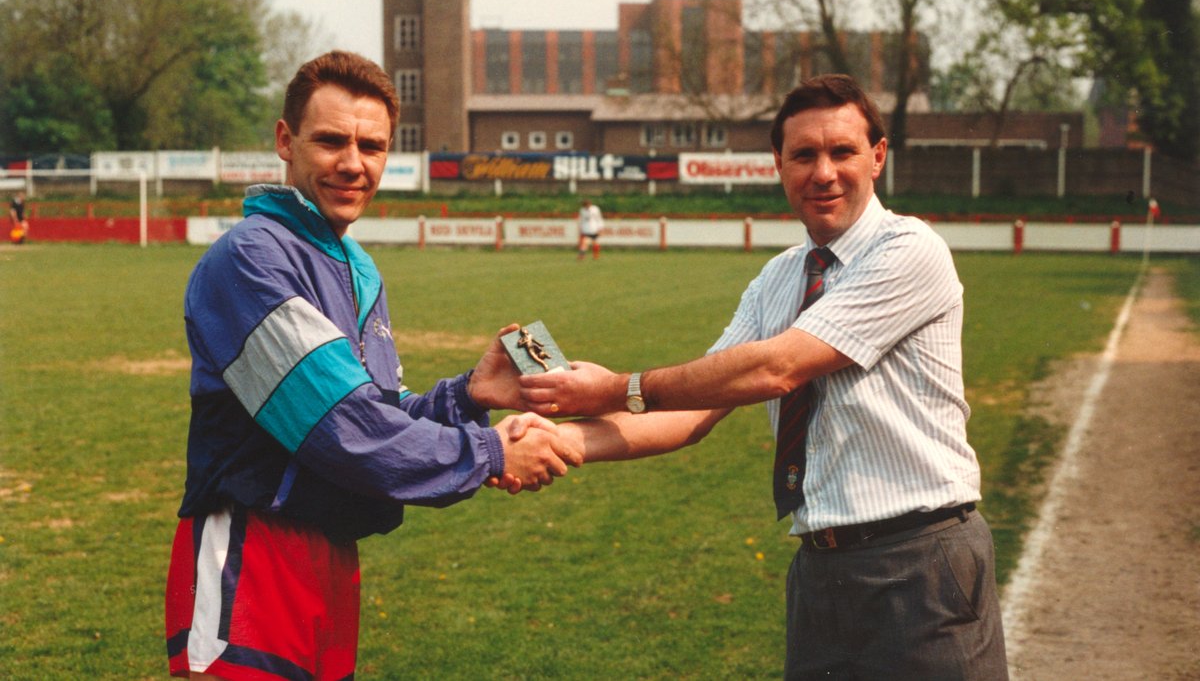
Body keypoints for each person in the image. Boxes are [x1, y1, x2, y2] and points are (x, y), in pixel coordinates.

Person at [518, 74, 1008, 680]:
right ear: (778, 163)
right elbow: (693, 413)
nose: (822, 172)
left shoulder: (911, 249)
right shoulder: (777, 279)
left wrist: (618, 387)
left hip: (921, 562)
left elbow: (778, 368)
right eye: (803, 155)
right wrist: (558, 440)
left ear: (877, 157)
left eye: (842, 152)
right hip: (820, 571)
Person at [165, 51, 581, 681]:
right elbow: (342, 427)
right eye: (331, 140)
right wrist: (491, 453)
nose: (353, 164)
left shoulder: (357, 267)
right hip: (252, 557)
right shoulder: (250, 258)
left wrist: (469, 395)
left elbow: (379, 412)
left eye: (372, 146)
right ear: (285, 141)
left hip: (332, 555)